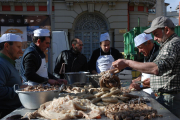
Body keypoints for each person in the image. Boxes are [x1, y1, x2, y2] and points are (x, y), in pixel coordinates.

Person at [112, 16, 180, 118]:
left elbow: (157, 68)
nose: (155, 39)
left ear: (166, 30)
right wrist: (150, 82)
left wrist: (127, 63)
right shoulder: (167, 44)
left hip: (171, 99)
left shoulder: (173, 44)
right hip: (165, 96)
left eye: (156, 34)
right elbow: (168, 74)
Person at [0, 33, 27, 118]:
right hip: (6, 114)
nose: (21, 51)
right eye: (18, 47)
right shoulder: (1, 64)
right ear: (7, 46)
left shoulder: (8, 62)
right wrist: (20, 89)